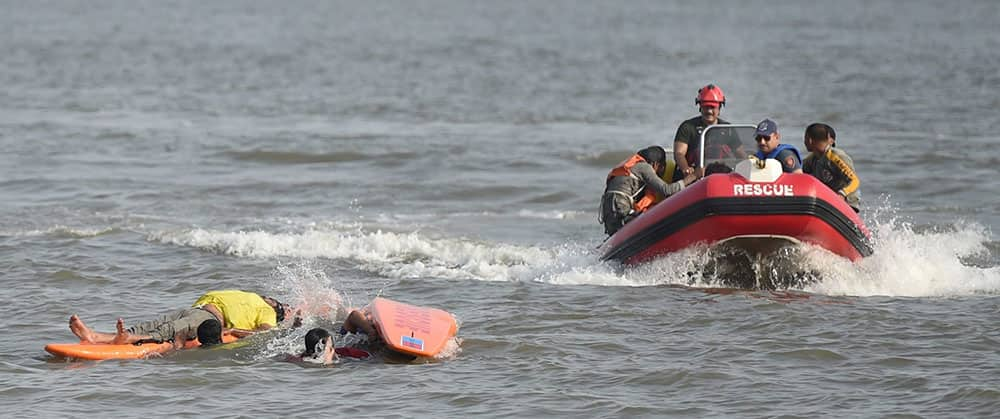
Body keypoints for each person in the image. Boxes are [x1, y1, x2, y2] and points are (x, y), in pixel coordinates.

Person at [68, 289, 295, 345]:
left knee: (169, 330)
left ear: (275, 310)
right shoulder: (252, 296)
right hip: (195, 309)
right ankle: (95, 336)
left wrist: (234, 332)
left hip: (209, 319)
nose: (272, 300)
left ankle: (127, 340)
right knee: (154, 323)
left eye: (277, 304)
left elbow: (265, 333)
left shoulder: (266, 312)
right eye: (274, 299)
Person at [599, 146, 697, 236]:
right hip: (621, 205)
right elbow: (667, 190)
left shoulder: (629, 166)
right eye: (661, 168)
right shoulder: (644, 167)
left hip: (608, 208)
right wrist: (693, 177)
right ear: (655, 164)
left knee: (616, 235)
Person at [672, 84, 744, 179]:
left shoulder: (728, 129)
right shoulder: (688, 127)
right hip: (694, 177)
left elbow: (741, 155)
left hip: (720, 176)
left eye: (712, 107)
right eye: (706, 107)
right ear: (700, 107)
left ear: (719, 108)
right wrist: (686, 169)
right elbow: (679, 153)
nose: (709, 111)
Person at [802, 123, 861, 212]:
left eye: (805, 139)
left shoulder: (834, 156)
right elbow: (798, 172)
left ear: (809, 140)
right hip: (827, 202)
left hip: (847, 203)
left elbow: (854, 180)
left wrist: (842, 194)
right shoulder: (812, 159)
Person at [286, 327, 371, 365]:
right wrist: (328, 359)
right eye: (330, 346)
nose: (332, 348)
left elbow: (369, 356)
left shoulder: (345, 352)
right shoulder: (302, 360)